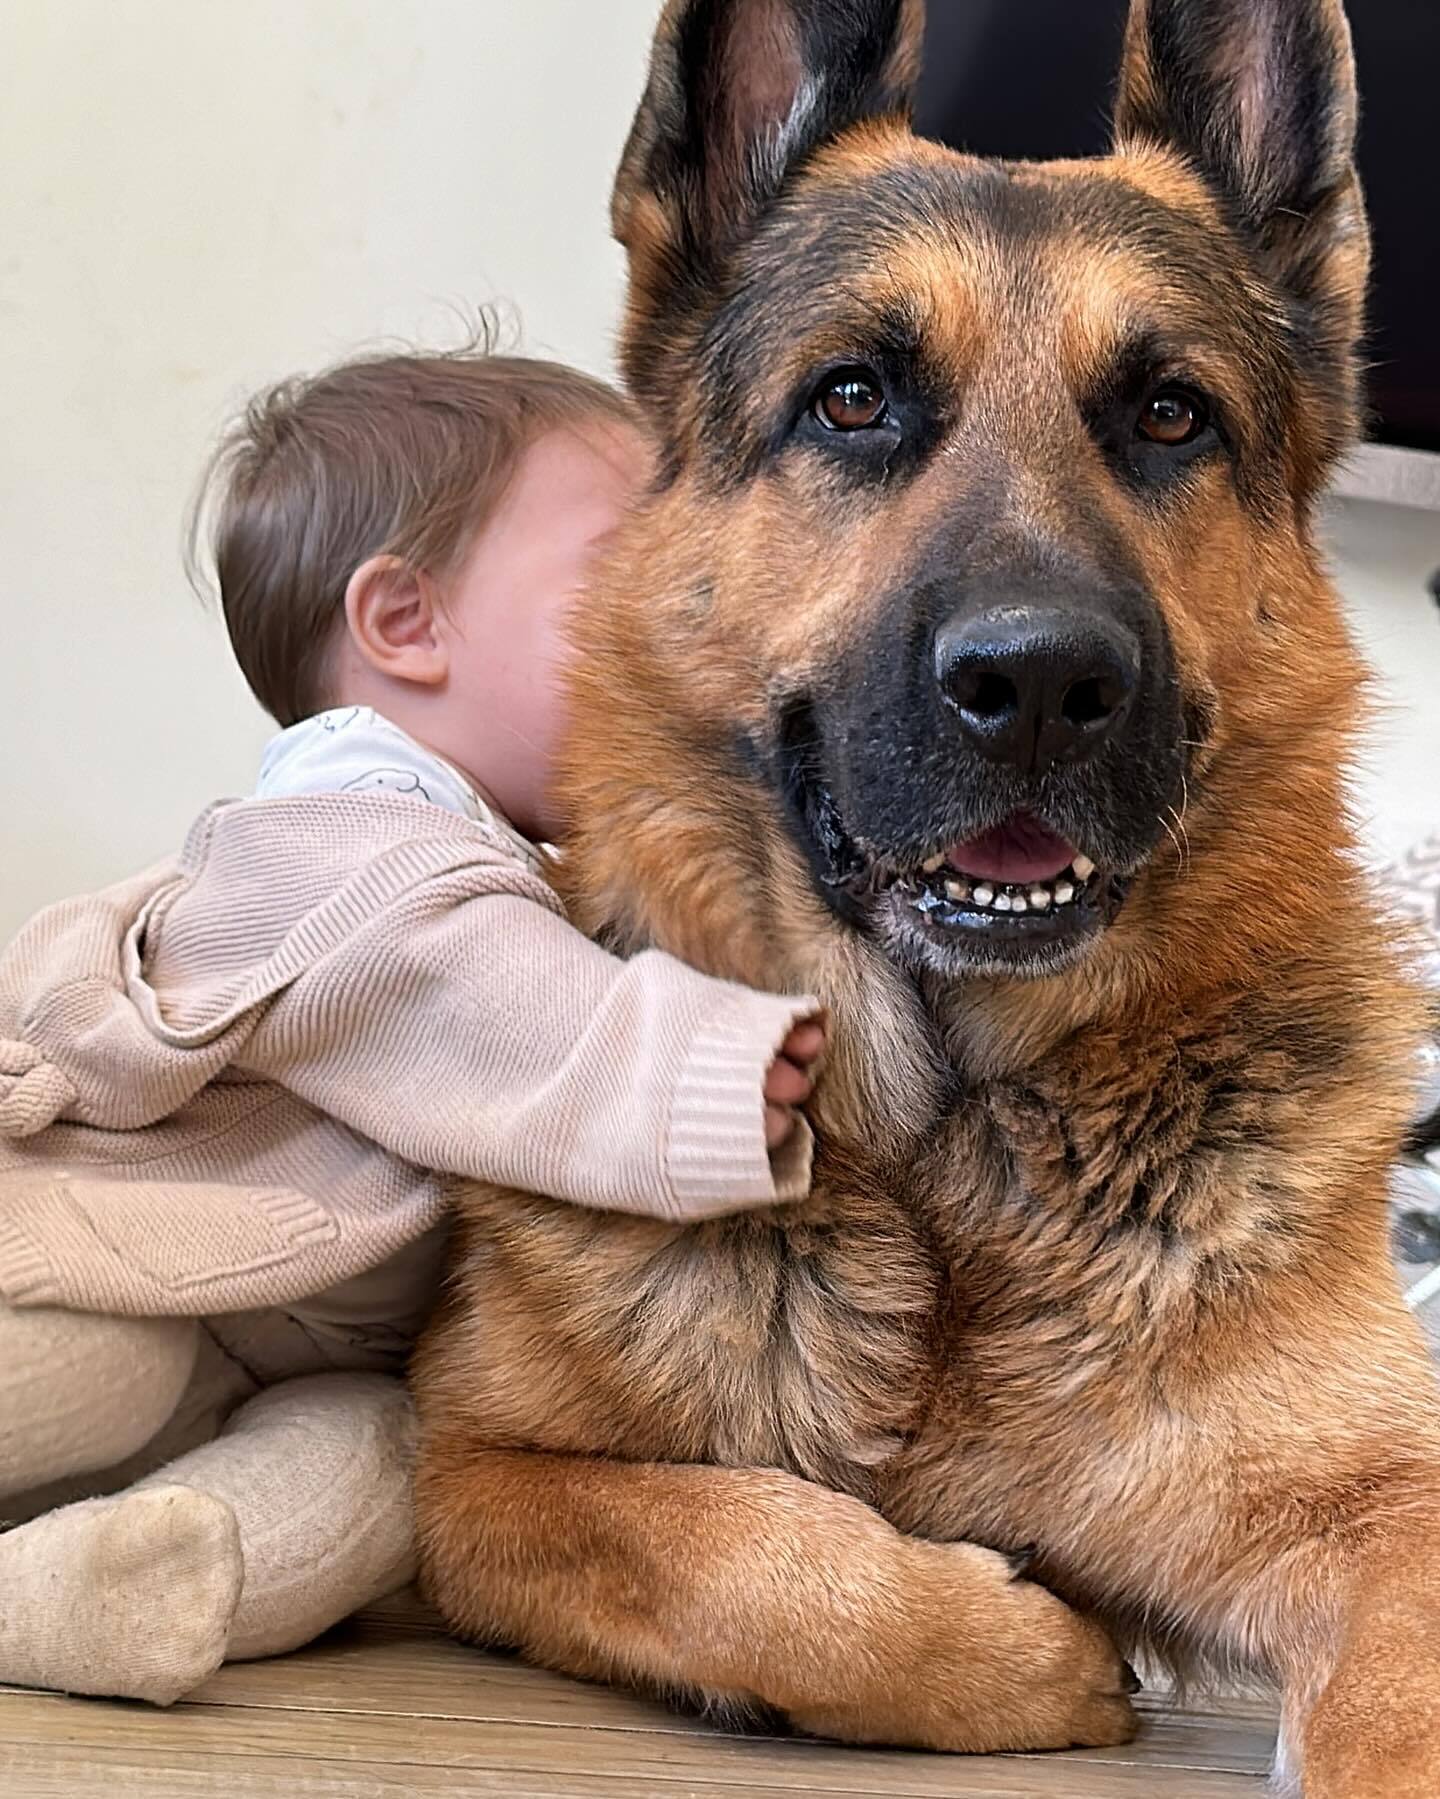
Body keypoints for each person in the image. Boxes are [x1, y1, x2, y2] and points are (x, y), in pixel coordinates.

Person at [0, 345, 824, 1705]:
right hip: (114, 1264)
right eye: (626, 574)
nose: (691, 624)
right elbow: (491, 1008)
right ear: (404, 626)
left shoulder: (490, 855)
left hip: (284, 1339)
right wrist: (711, 1066)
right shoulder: (354, 847)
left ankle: (114, 1584)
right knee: (108, 1378)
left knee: (394, 1463)